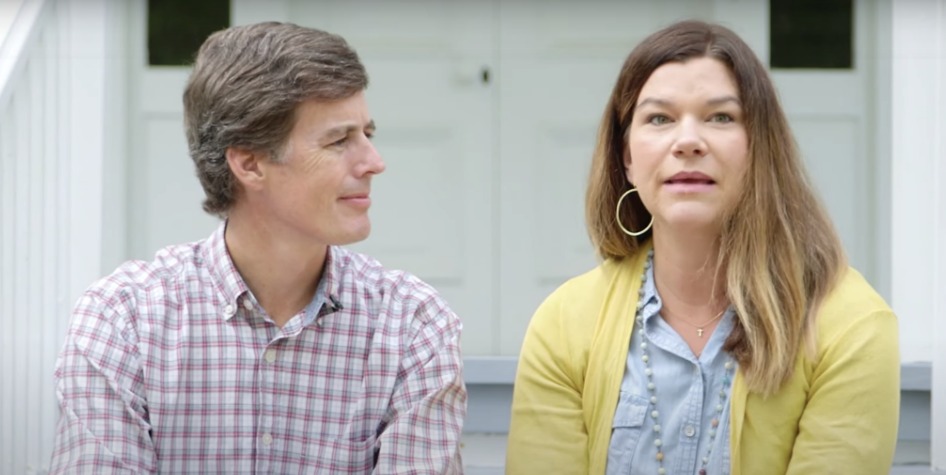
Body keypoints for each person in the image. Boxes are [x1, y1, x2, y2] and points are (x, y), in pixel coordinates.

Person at [50, 22, 466, 474]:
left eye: (368, 133)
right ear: (249, 164)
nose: (374, 161)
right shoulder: (122, 319)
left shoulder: (411, 326)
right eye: (339, 140)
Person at [506, 20, 899, 475]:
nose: (688, 141)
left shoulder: (852, 327)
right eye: (659, 118)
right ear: (627, 158)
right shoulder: (563, 324)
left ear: (759, 150)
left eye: (720, 117)